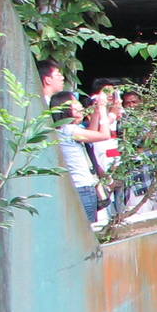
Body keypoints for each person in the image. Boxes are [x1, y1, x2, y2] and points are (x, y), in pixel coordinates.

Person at [49, 90, 113, 225]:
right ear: (66, 108)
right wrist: (102, 110)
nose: (79, 106)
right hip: (83, 187)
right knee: (89, 227)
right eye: (75, 103)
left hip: (79, 186)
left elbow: (91, 134)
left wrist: (95, 113)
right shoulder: (70, 130)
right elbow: (104, 135)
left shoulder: (63, 129)